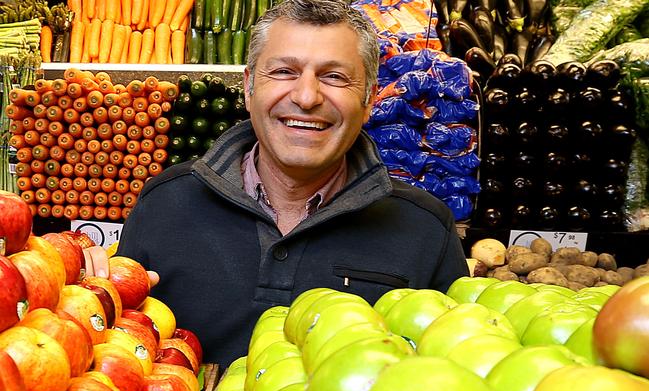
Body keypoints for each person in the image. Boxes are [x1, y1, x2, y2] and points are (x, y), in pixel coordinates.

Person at [85, 0, 469, 366]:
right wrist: (85, 293)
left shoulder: (424, 229)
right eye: (284, 71)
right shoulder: (166, 202)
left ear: (369, 99)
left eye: (334, 77)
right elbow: (118, 346)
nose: (305, 97)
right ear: (249, 88)